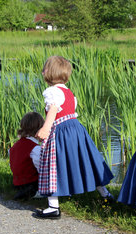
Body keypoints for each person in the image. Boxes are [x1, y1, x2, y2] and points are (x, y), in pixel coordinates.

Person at [34, 55, 114, 219]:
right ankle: (105, 194)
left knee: (52, 165)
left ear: (48, 72)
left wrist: (45, 128)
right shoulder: (68, 92)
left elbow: (54, 109)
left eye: (44, 68)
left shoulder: (52, 92)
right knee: (86, 161)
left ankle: (53, 207)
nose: (42, 71)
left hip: (60, 131)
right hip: (76, 130)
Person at [9, 112, 44, 201]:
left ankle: (23, 192)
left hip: (17, 183)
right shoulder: (35, 148)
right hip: (31, 184)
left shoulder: (15, 146)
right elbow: (42, 169)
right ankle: (34, 193)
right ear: (39, 129)